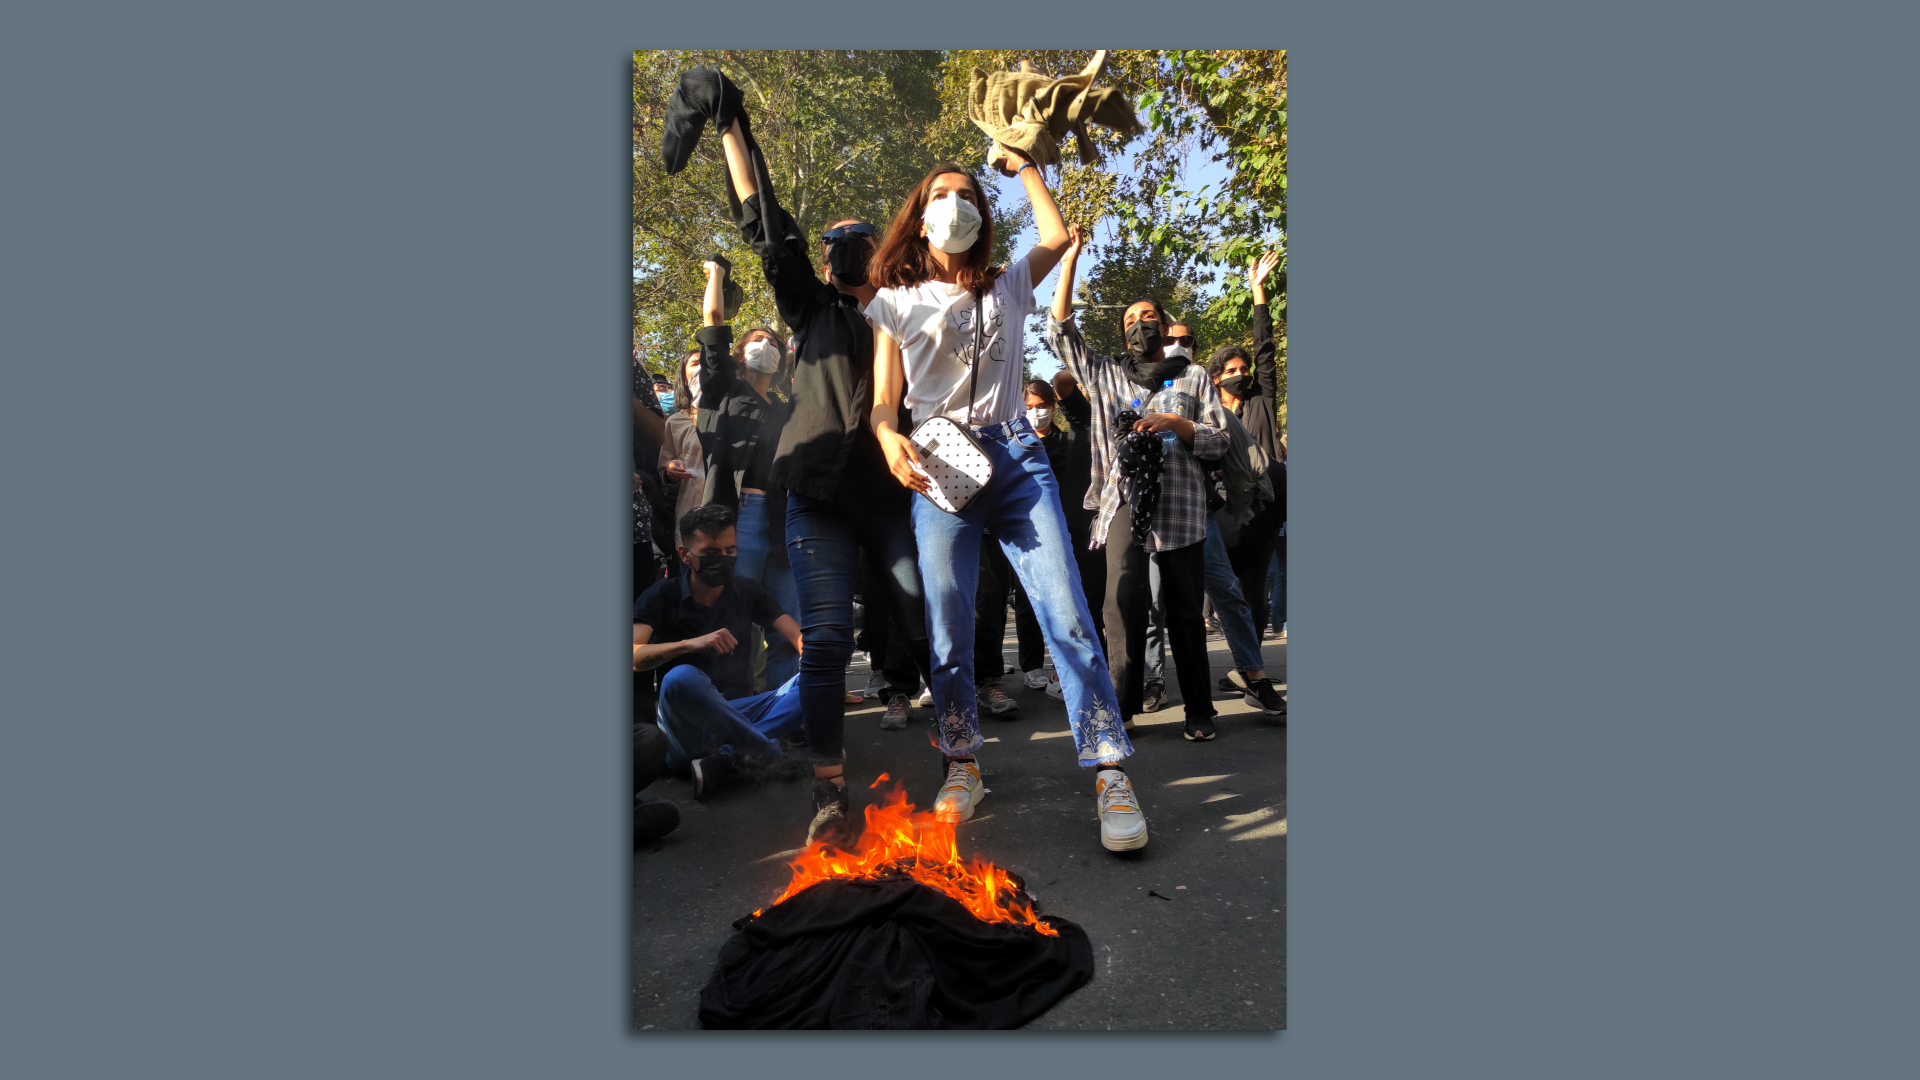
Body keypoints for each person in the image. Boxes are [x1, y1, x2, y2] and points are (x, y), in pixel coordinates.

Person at [867, 155, 1147, 854]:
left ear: (982, 216)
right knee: (948, 629)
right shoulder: (892, 300)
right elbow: (881, 400)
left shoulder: (1010, 285)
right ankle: (963, 765)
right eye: (942, 195)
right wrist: (885, 437)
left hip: (1019, 459)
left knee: (1067, 618)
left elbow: (1053, 236)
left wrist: (1024, 170)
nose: (956, 205)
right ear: (919, 213)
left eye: (968, 196)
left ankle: (1110, 770)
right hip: (937, 470)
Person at [704, 98, 935, 849]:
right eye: (829, 240)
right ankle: (830, 790)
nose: (838, 247)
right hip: (817, 502)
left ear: (880, 251)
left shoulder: (904, 314)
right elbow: (762, 219)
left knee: (934, 614)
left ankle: (962, 753)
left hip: (895, 501)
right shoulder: (809, 313)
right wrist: (734, 129)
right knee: (829, 639)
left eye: (854, 239)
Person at [1045, 226, 1233, 743]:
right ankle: (1122, 708)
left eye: (1148, 317)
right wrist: (1070, 260)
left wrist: (1180, 426)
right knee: (1121, 605)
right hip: (1122, 502)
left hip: (1181, 507)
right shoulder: (1106, 375)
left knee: (1184, 611)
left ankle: (1200, 710)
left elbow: (1219, 443)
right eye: (1130, 319)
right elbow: (1060, 333)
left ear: (1164, 324)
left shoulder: (1192, 378)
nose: (1139, 325)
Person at [1153, 314, 1286, 719]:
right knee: (1151, 606)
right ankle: (1147, 681)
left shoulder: (1205, 395)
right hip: (1148, 514)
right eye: (1171, 339)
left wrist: (1184, 426)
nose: (1179, 346)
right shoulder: (1132, 385)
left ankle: (1256, 677)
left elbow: (1224, 447)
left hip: (1199, 513)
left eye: (1188, 341)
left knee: (1229, 594)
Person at [632, 504, 806, 800]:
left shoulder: (747, 591)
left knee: (815, 681)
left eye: (730, 550)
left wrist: (813, 654)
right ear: (686, 555)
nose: (724, 559)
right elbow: (633, 657)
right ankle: (765, 752)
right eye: (712, 552)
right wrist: (689, 644)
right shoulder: (663, 594)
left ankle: (726, 761)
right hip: (685, 725)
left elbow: (796, 635)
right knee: (681, 677)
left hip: (740, 712)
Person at [692, 261, 799, 691]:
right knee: (732, 627)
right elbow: (714, 325)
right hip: (735, 521)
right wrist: (715, 276)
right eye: (755, 341)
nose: (764, 346)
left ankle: (782, 717)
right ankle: (732, 719)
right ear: (740, 354)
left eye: (772, 342)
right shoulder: (723, 392)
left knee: (787, 626)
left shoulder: (790, 408)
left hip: (783, 524)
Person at [1208, 250, 1288, 657]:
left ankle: (1252, 665)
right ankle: (1241, 656)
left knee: (1254, 584)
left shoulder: (1261, 400)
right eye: (1231, 370)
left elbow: (1267, 352)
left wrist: (1258, 293)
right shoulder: (1208, 411)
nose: (1241, 375)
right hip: (1225, 507)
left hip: (1266, 504)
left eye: (1245, 369)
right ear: (1216, 378)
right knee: (1229, 585)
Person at [660, 347, 708, 538]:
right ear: (685, 379)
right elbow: (664, 470)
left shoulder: (736, 414)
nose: (702, 368)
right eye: (696, 364)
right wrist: (671, 471)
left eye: (707, 362)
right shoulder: (675, 422)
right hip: (690, 516)